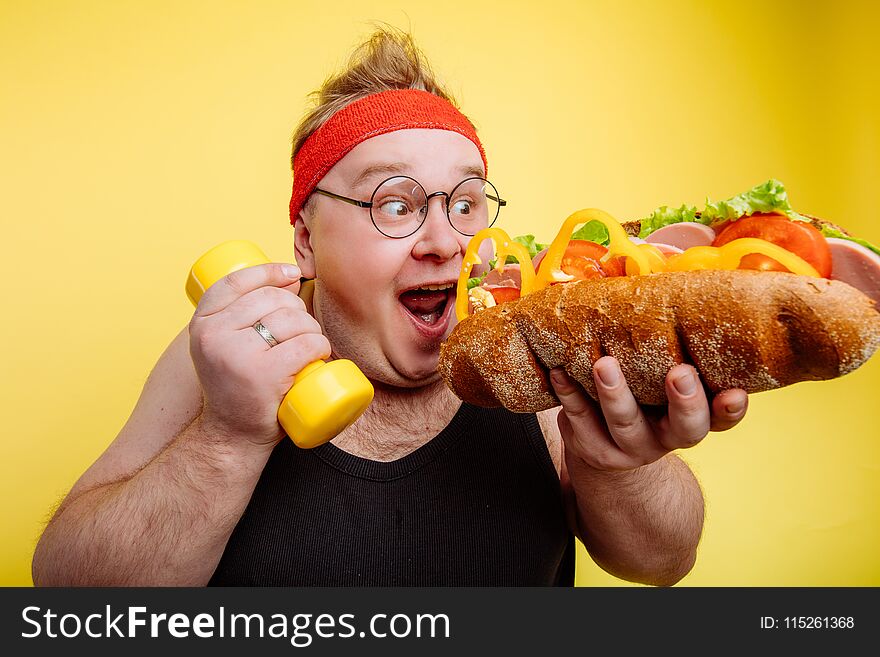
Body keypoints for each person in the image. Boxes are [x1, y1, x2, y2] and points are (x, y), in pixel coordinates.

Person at [32, 27, 749, 587]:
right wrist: (226, 438)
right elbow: (70, 592)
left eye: (466, 203)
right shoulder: (231, 349)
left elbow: (662, 560)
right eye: (395, 203)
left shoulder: (531, 339)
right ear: (306, 243)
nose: (445, 240)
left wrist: (619, 466)